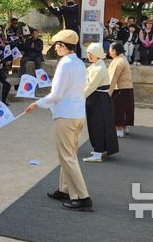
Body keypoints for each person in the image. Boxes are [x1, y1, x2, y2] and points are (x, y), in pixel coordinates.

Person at [25, 29, 92, 211]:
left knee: (67, 156)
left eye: (57, 45)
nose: (56, 47)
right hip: (78, 114)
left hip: (66, 115)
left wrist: (36, 103)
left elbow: (56, 94)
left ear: (63, 46)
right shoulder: (79, 62)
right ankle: (65, 189)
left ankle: (83, 196)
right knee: (69, 154)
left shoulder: (65, 63)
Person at [82, 43, 118, 163]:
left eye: (91, 54)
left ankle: (98, 153)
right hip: (97, 98)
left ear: (97, 54)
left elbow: (91, 86)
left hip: (99, 98)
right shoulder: (96, 65)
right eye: (88, 53)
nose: (89, 56)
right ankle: (100, 149)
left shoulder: (99, 67)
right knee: (97, 124)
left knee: (97, 125)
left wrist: (79, 97)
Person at [108, 42, 134, 138]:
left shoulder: (119, 61)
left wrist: (108, 92)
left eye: (110, 50)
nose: (109, 52)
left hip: (120, 88)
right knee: (125, 109)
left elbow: (113, 78)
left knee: (118, 109)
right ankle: (124, 127)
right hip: (126, 88)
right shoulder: (122, 59)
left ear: (114, 51)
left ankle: (119, 129)